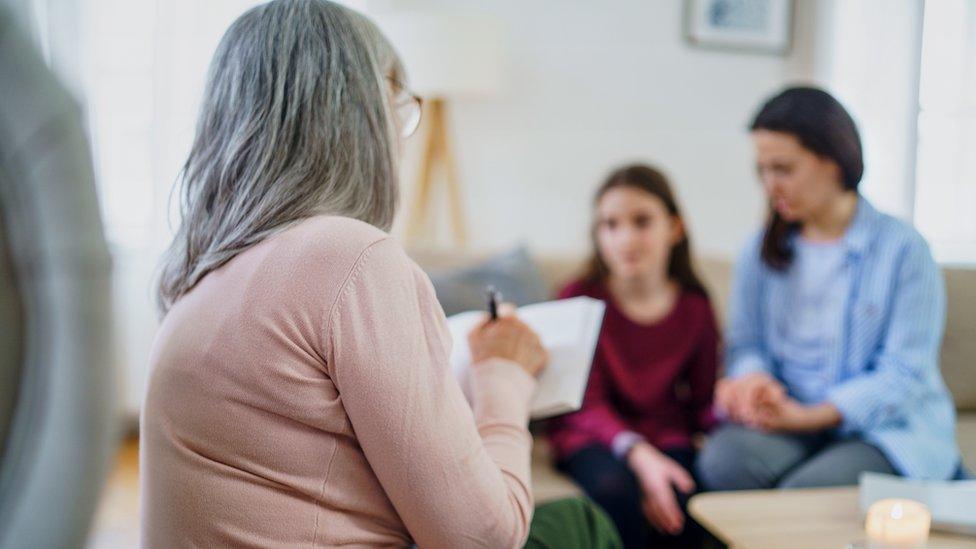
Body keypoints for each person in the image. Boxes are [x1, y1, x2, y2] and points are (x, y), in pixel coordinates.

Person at [140, 1, 619, 547]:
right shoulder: (347, 255)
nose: (402, 136)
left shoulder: (202, 281)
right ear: (359, 118)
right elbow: (484, 539)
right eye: (397, 106)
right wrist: (502, 378)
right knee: (582, 524)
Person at [697, 86, 962, 492]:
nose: (770, 185)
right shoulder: (758, 250)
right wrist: (755, 383)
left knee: (807, 491)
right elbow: (745, 345)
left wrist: (812, 416)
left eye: (783, 169)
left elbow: (903, 374)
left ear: (833, 163)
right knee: (723, 461)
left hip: (885, 430)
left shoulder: (904, 250)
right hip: (792, 422)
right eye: (762, 170)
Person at [548, 164, 719, 548]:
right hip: (590, 434)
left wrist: (738, 406)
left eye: (641, 221)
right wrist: (638, 454)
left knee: (681, 493)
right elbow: (582, 403)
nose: (625, 238)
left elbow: (702, 403)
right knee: (615, 490)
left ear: (674, 228)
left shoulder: (694, 307)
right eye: (610, 225)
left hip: (664, 433)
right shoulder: (579, 298)